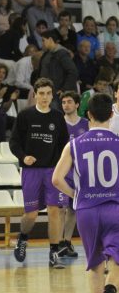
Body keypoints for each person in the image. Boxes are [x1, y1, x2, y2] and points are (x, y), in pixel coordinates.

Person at [52, 93, 119, 293]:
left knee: (95, 264)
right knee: (118, 260)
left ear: (87, 115)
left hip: (87, 210)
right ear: (111, 115)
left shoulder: (74, 144)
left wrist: (76, 194)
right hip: (115, 206)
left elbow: (56, 179)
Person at [9, 77, 69, 268]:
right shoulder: (26, 115)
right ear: (35, 95)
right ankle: (23, 238)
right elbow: (14, 142)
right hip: (31, 171)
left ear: (52, 95)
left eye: (48, 93)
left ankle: (53, 253)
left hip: (52, 171)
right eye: (41, 93)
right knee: (31, 215)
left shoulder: (58, 117)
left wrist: (62, 167)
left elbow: (64, 145)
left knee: (54, 211)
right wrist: (23, 156)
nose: (45, 97)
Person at [58, 91, 89, 258]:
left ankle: (67, 242)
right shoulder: (58, 123)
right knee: (61, 208)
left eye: (69, 102)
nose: (66, 105)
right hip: (63, 173)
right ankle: (58, 242)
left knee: (73, 209)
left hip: (81, 172)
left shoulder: (86, 124)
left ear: (77, 104)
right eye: (63, 102)